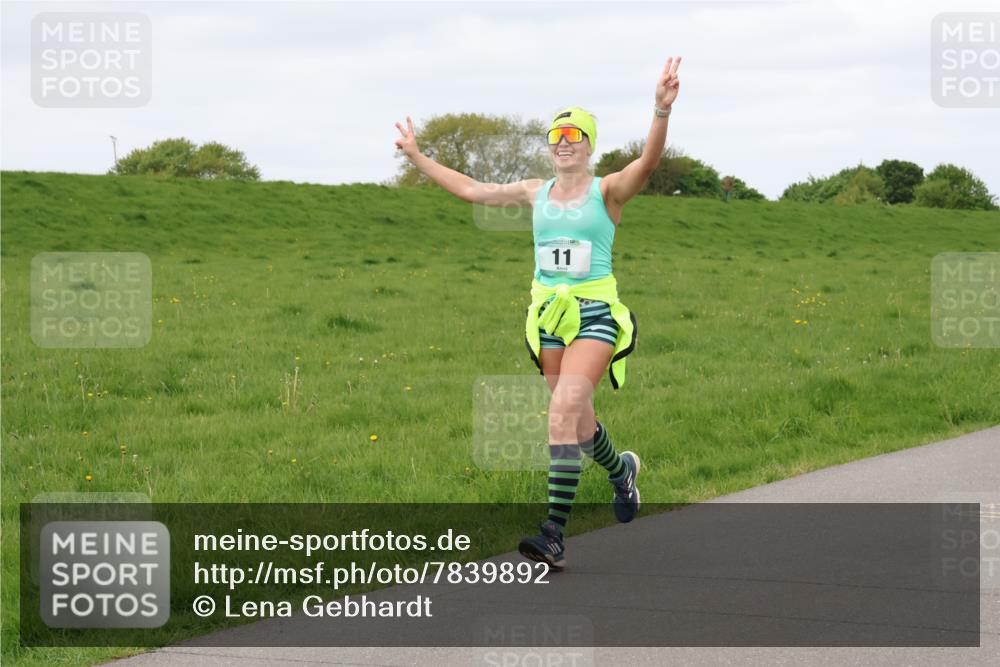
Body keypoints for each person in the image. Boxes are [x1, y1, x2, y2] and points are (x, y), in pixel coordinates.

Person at [394, 57, 682, 570]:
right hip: (547, 316)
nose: (564, 141)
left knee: (561, 411)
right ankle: (622, 473)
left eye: (574, 134)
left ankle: (553, 533)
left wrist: (659, 110)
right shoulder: (535, 192)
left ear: (589, 145)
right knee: (575, 423)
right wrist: (417, 155)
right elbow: (470, 189)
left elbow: (648, 163)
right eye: (556, 135)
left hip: (594, 312)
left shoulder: (607, 191)